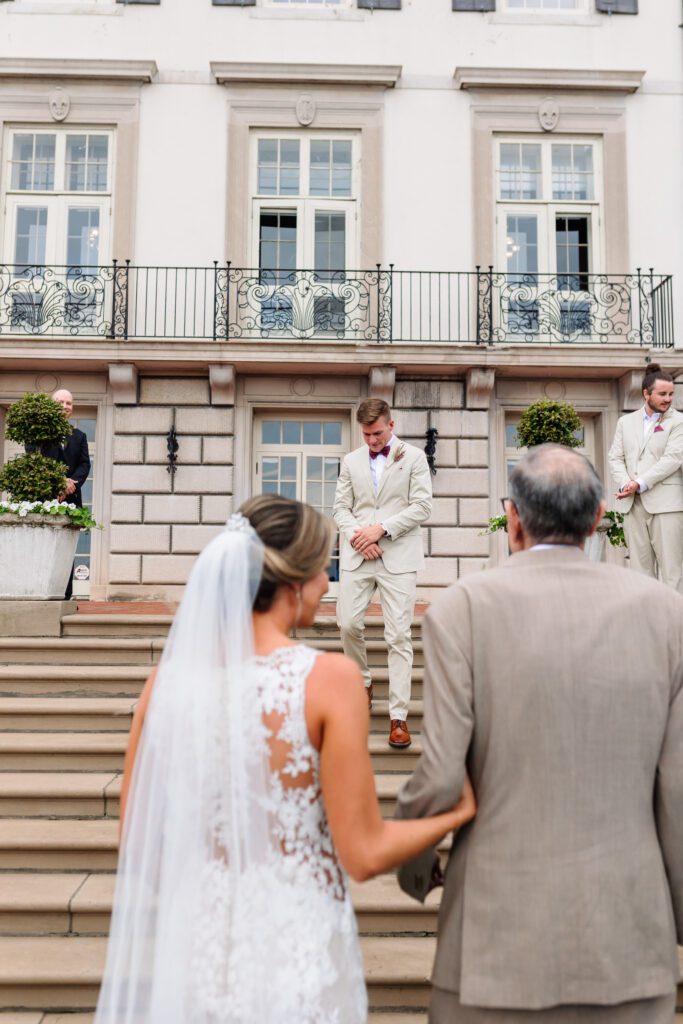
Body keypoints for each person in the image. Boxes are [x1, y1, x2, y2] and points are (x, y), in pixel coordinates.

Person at [95, 495, 475, 1024]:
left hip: (199, 958)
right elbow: (363, 854)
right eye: (322, 570)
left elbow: (140, 846)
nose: (325, 585)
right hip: (297, 955)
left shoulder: (163, 685)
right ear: (293, 581)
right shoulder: (330, 679)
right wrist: (456, 813)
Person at [396, 445, 683, 1023]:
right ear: (598, 517)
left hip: (493, 938)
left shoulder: (461, 609)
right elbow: (677, 788)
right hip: (629, 936)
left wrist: (414, 865)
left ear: (514, 518)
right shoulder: (667, 612)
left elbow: (442, 774)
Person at [333, 399, 432, 749]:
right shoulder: (350, 461)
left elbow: (422, 506)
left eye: (377, 433)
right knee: (347, 623)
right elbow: (340, 509)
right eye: (366, 435)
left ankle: (398, 717)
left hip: (398, 556)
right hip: (358, 554)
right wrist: (360, 537)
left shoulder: (414, 457)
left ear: (391, 425)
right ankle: (362, 682)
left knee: (398, 636)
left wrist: (382, 529)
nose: (372, 441)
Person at [608, 363, 683, 588]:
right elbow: (615, 458)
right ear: (646, 394)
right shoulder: (625, 422)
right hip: (633, 506)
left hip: (667, 506)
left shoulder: (679, 421)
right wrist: (626, 484)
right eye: (662, 394)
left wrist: (639, 483)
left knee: (672, 573)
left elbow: (672, 459)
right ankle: (647, 612)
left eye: (671, 394)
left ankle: (674, 612)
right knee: (640, 574)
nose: (668, 399)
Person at [26, 389, 91, 598]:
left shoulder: (80, 436)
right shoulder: (37, 433)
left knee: (66, 550)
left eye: (68, 403)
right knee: (42, 548)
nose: (65, 406)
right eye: (60, 402)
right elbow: (34, 463)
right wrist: (58, 482)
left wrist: (70, 484)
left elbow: (84, 465)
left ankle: (66, 596)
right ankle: (40, 595)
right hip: (43, 500)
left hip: (71, 500)